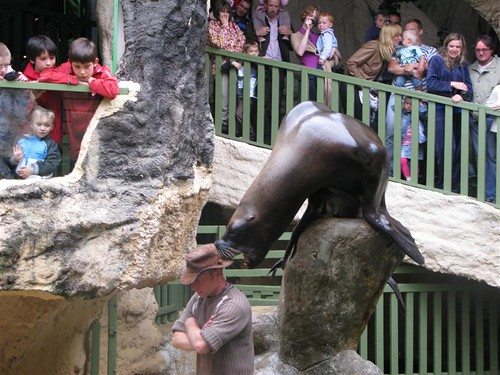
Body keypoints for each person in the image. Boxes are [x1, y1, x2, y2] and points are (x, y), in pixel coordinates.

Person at [171, 244, 254, 375]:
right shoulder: (198, 298)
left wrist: (190, 323)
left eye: (198, 279)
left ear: (217, 272)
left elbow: (200, 345)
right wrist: (201, 337)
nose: (193, 286)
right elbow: (176, 339)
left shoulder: (234, 304)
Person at [38, 37, 119, 169]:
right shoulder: (66, 69)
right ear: (70, 63)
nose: (82, 72)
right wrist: (73, 80)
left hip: (96, 135)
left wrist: (91, 81)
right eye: (77, 67)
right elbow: (45, 76)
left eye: (86, 67)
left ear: (95, 62)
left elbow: (112, 90)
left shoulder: (101, 71)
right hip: (71, 135)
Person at [385, 19, 437, 176]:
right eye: (405, 31)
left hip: (418, 97)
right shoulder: (400, 49)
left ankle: (413, 176)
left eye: (411, 30)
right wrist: (407, 69)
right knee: (391, 130)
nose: (406, 34)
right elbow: (391, 67)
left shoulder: (429, 50)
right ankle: (390, 172)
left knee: (417, 136)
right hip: (399, 94)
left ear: (420, 31)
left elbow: (428, 68)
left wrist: (417, 67)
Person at [427, 32, 472, 192]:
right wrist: (452, 85)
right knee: (445, 148)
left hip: (459, 111)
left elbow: (468, 88)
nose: (454, 49)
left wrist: (461, 95)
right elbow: (430, 84)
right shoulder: (437, 60)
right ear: (446, 46)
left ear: (462, 49)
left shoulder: (463, 64)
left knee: (459, 149)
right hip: (441, 110)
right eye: (452, 46)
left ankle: (453, 186)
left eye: (458, 47)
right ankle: (442, 184)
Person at [345, 23, 402, 127]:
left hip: (364, 90)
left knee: (368, 123)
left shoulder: (387, 53)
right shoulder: (374, 46)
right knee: (358, 123)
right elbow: (351, 63)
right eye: (397, 36)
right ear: (390, 37)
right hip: (352, 87)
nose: (400, 38)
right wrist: (364, 83)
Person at [253, 0, 292, 142]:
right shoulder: (259, 17)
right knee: (262, 99)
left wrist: (290, 32)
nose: (273, 9)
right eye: (271, 5)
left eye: (276, 6)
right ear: (266, 5)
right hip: (264, 62)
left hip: (280, 64)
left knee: (277, 100)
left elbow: (293, 44)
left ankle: (273, 136)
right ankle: (262, 135)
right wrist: (257, 32)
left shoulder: (284, 18)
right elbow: (249, 37)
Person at [469, 35, 499, 203]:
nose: (480, 53)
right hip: (475, 119)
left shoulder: (499, 66)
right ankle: (482, 192)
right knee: (478, 156)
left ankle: (491, 195)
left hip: (492, 119)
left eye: (484, 50)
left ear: (491, 50)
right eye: (478, 50)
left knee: (492, 157)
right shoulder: (471, 68)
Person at [208, 1, 246, 133]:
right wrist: (224, 27)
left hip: (234, 67)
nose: (225, 14)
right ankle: (222, 126)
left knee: (233, 98)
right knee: (223, 98)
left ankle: (229, 126)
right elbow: (218, 43)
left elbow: (241, 44)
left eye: (227, 12)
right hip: (220, 67)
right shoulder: (213, 26)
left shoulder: (235, 27)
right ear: (218, 13)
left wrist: (229, 47)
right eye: (222, 11)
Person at [23, 35, 63, 145]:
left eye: (52, 57)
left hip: (54, 133)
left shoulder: (60, 75)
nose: (49, 63)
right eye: (43, 59)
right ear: (32, 59)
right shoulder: (24, 80)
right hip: (30, 134)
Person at [8, 106, 61, 179]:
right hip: (19, 181)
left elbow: (52, 163)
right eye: (39, 124)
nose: (43, 128)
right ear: (31, 125)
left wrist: (32, 170)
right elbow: (7, 163)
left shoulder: (51, 144)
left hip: (40, 183)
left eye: (47, 125)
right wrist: (15, 159)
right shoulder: (21, 140)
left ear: (51, 127)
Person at [291, 5, 321, 100]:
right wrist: (307, 29)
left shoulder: (318, 36)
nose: (312, 19)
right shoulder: (295, 36)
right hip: (308, 76)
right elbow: (300, 52)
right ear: (305, 15)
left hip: (321, 75)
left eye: (315, 18)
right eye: (311, 16)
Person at [232, 41, 259, 139]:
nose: (254, 53)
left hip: (250, 94)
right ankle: (243, 133)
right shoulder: (241, 64)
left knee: (239, 113)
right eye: (251, 51)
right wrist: (232, 63)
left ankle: (250, 135)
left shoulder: (257, 65)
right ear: (245, 53)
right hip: (240, 94)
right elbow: (224, 67)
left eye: (256, 51)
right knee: (243, 114)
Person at [399, 97, 427, 182]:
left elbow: (423, 112)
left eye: (411, 104)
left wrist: (420, 103)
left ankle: (414, 180)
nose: (409, 106)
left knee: (414, 162)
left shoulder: (418, 114)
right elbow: (393, 107)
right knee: (402, 159)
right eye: (407, 104)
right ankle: (408, 178)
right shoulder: (402, 114)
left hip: (415, 143)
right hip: (404, 143)